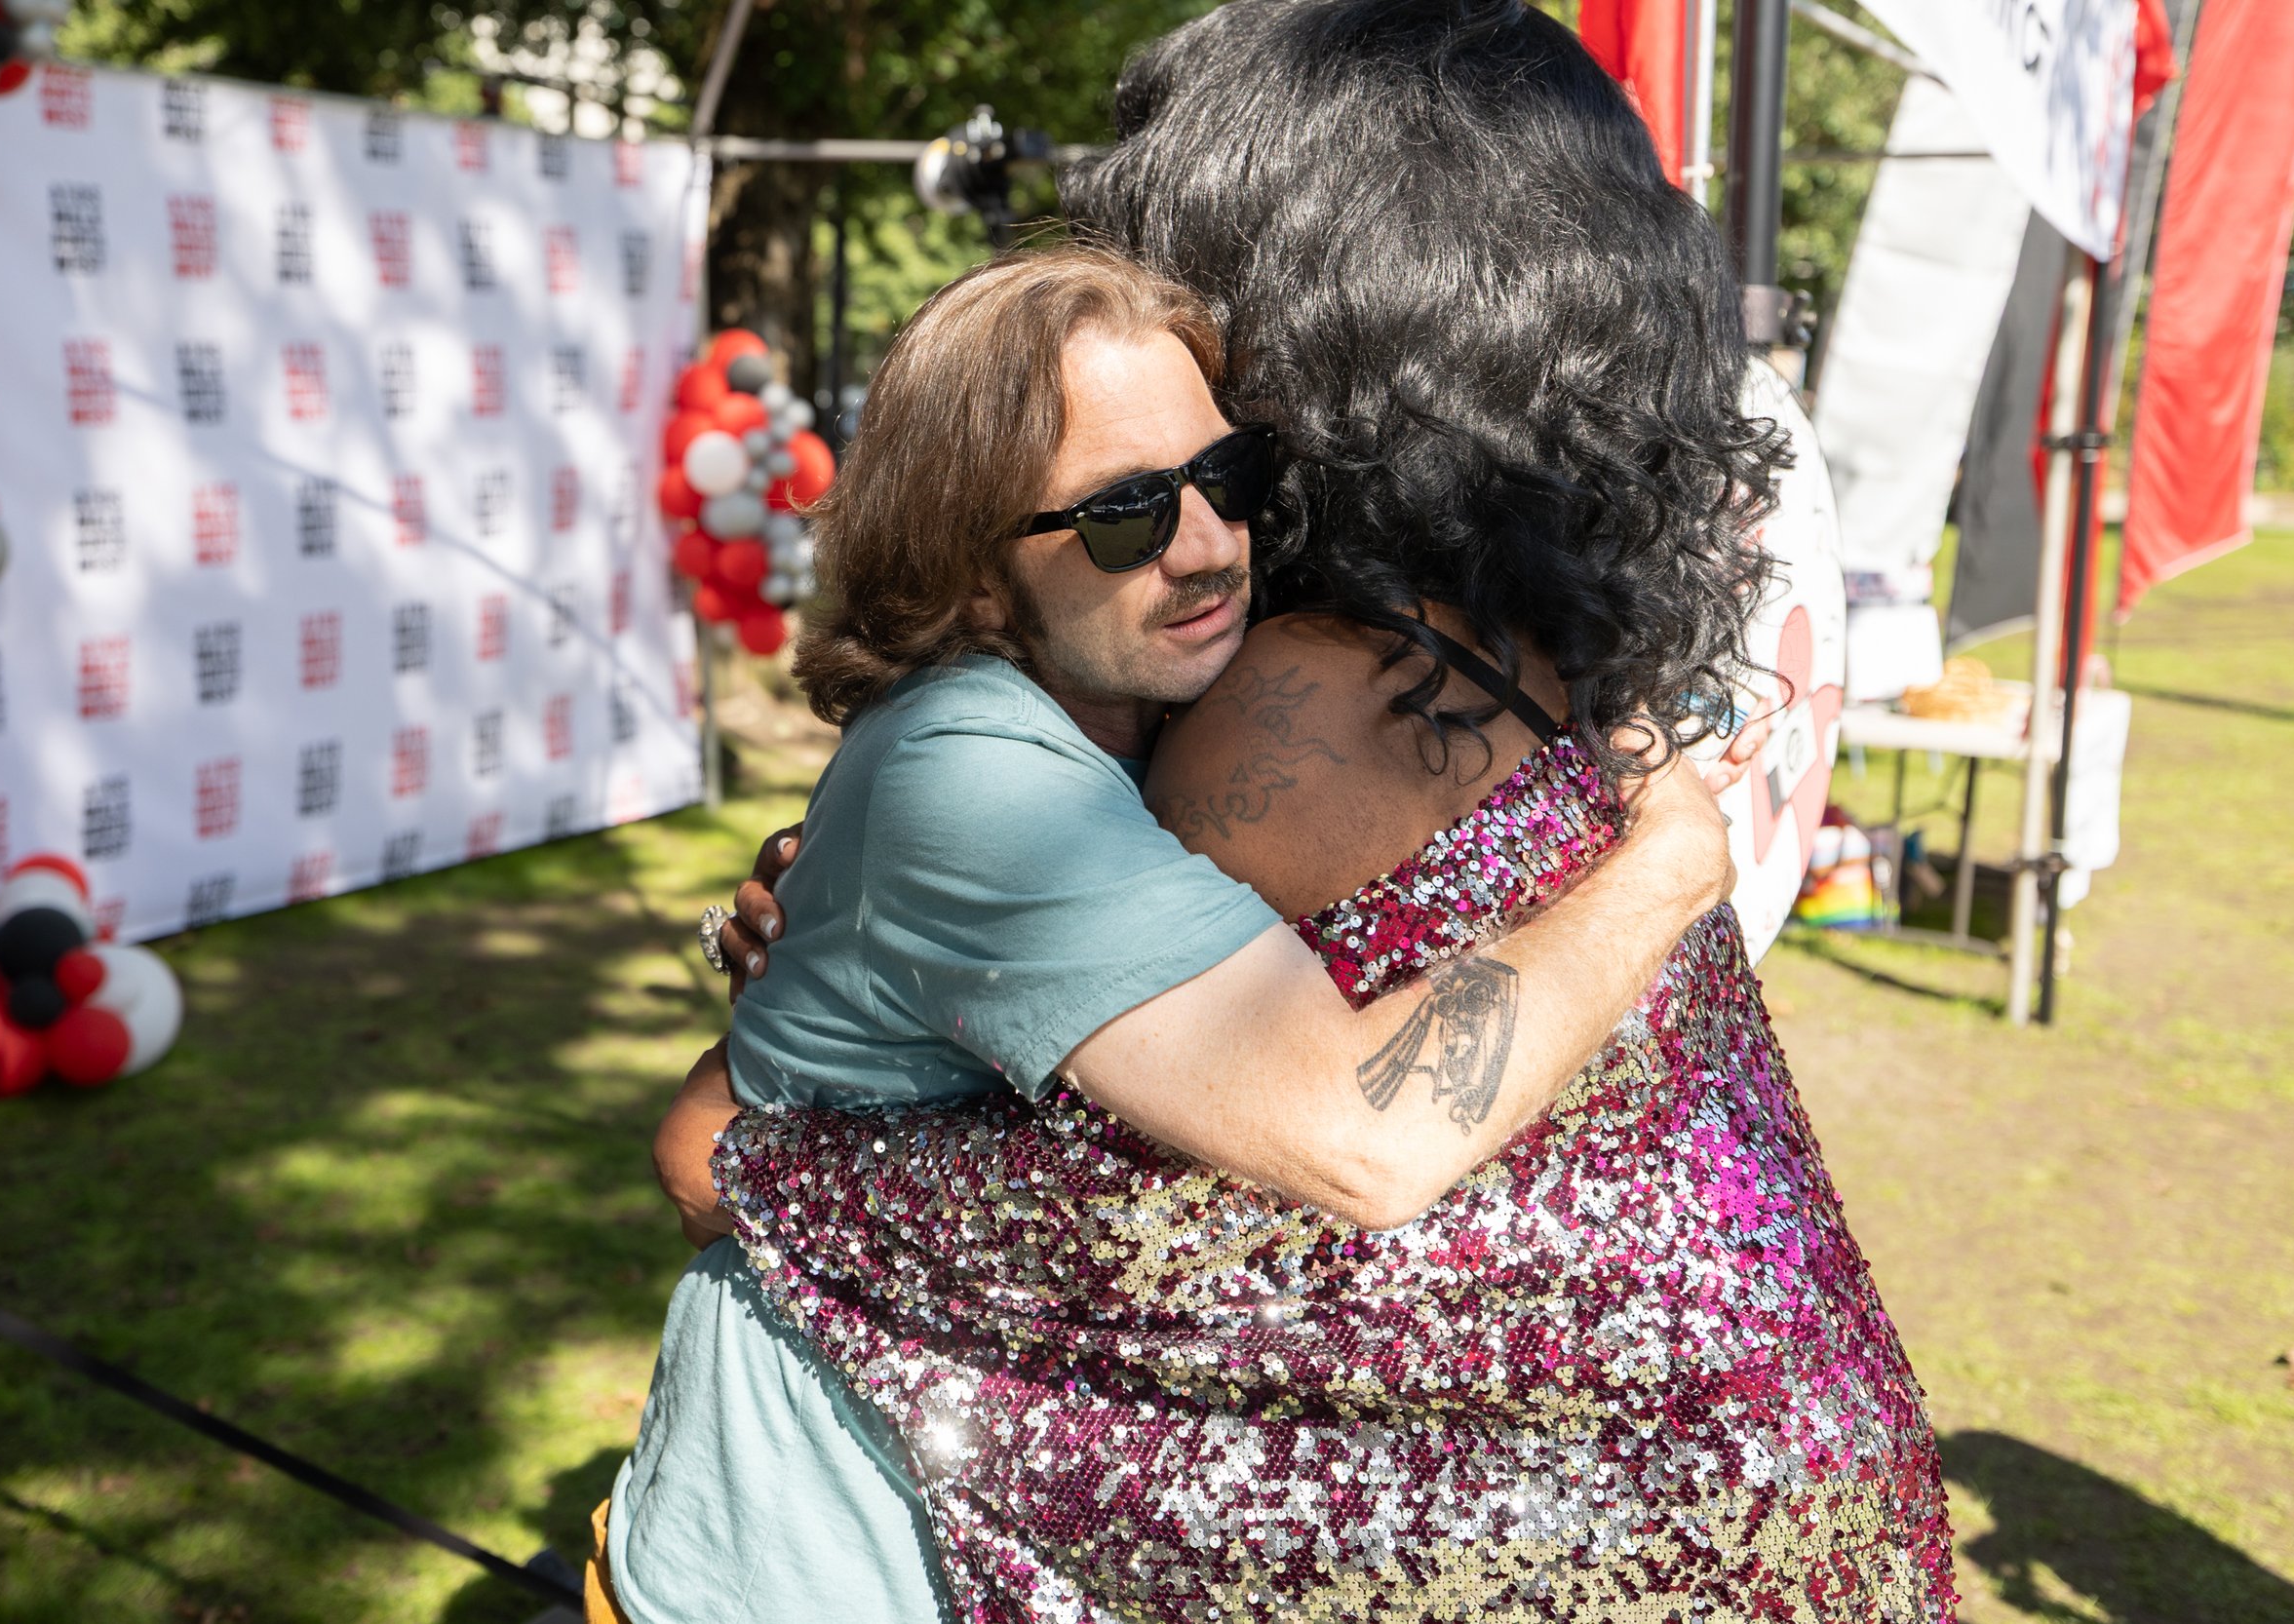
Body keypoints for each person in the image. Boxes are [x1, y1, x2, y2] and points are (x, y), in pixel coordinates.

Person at [623, 4, 1954, 1619]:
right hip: (1779, 1480)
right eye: (1124, 509)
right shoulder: (1540, 643)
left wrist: (770, 1140)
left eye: (1231, 472)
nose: (1200, 539)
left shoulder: (1297, 708)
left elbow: (1278, 1146)